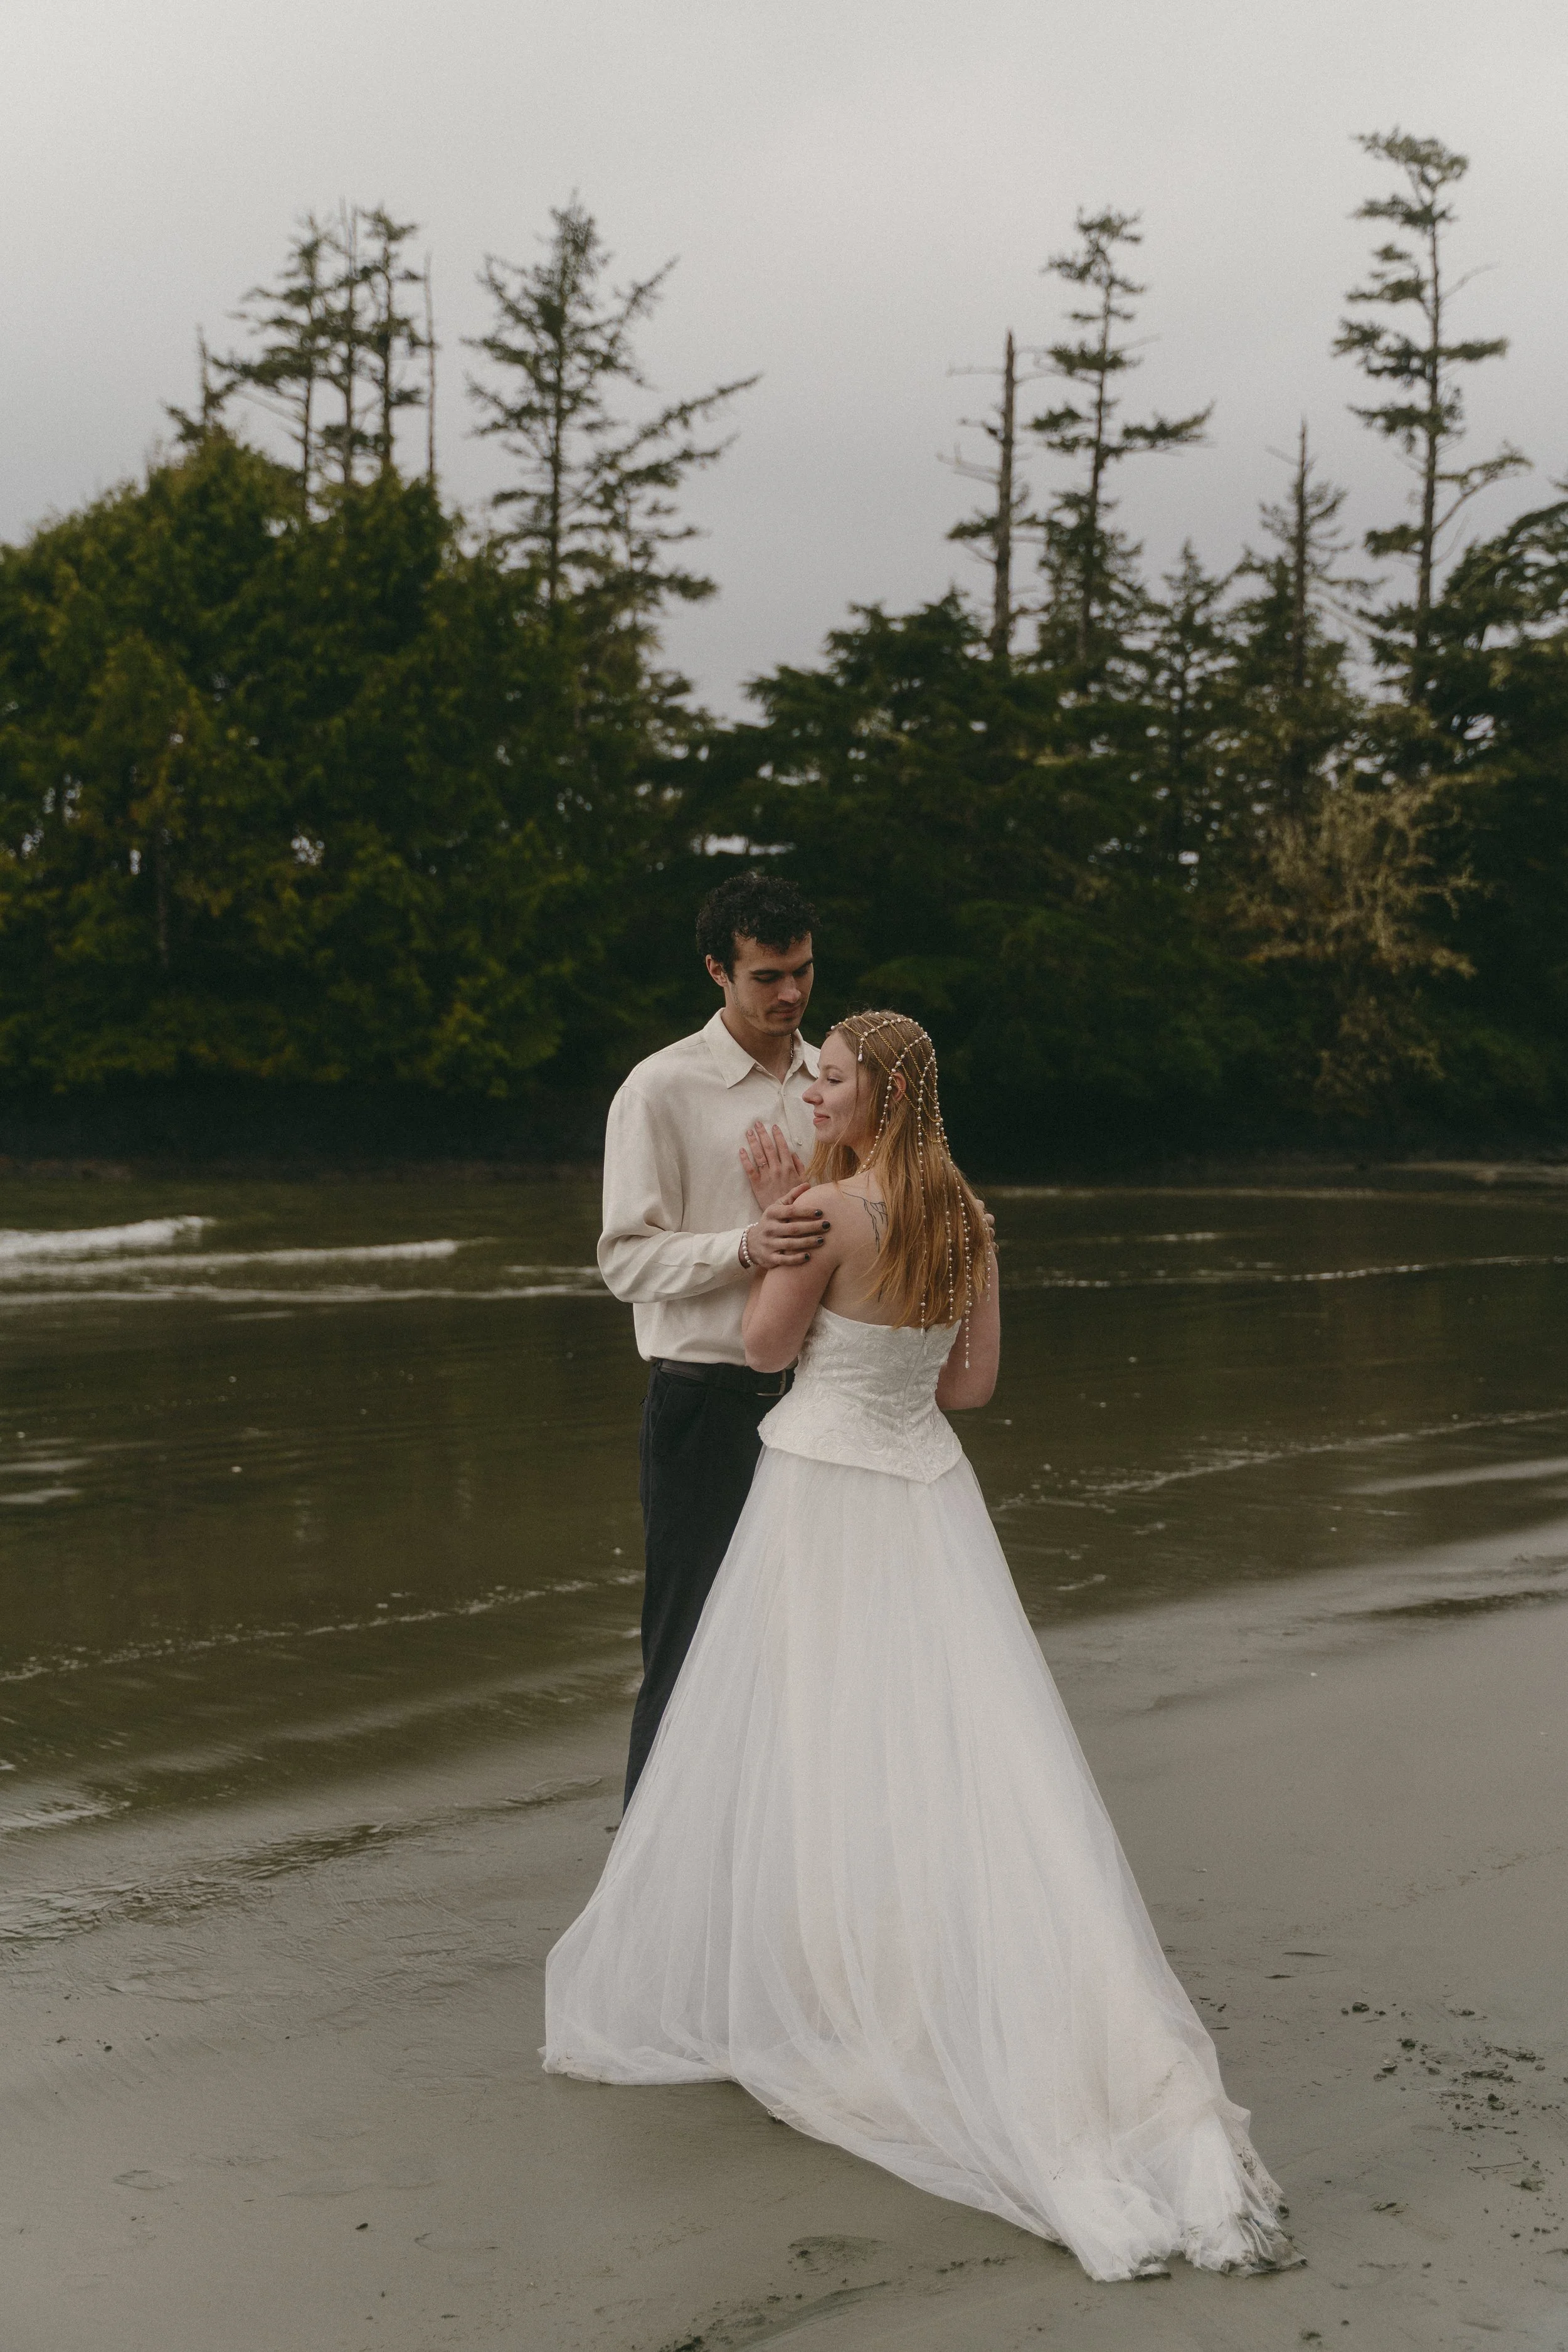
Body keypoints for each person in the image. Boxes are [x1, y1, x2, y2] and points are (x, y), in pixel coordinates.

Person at [549, 1010, 1296, 2285]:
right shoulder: (968, 1220)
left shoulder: (837, 1212)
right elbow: (969, 1388)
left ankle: (843, 1988)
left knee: (819, 1742)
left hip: (823, 1498)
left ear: (878, 1097)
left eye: (829, 1081)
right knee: (950, 1751)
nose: (811, 1097)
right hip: (927, 1496)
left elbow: (764, 1347)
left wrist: (795, 1210)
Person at [598, 872, 830, 1806]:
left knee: (802, 1652)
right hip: (705, 1404)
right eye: (769, 975)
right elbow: (624, 1260)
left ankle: (765, 1863)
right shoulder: (658, 1090)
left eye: (804, 971)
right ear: (716, 971)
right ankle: (645, 1894)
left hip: (820, 1408)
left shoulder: (834, 1083)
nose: (791, 995)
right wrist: (747, 1245)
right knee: (688, 1649)